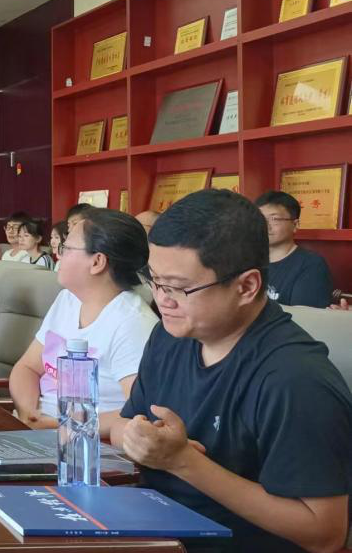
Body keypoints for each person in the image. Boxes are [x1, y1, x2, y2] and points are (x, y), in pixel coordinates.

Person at [116, 189, 352, 553]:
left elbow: (325, 534)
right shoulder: (169, 335)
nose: (161, 299)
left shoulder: (295, 379)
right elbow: (129, 423)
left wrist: (184, 462)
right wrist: (136, 438)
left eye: (178, 287)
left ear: (246, 286)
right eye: (154, 280)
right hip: (150, 528)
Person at [8, 208, 156, 440]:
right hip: (39, 433)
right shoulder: (67, 300)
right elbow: (27, 367)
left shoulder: (132, 323)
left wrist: (67, 426)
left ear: (97, 262)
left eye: (66, 248)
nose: (59, 255)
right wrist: (29, 415)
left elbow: (139, 413)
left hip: (87, 446)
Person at [255, 190, 333, 308]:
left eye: (274, 219)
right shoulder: (247, 260)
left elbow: (303, 317)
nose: (265, 226)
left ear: (295, 225)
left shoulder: (311, 265)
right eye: (260, 218)